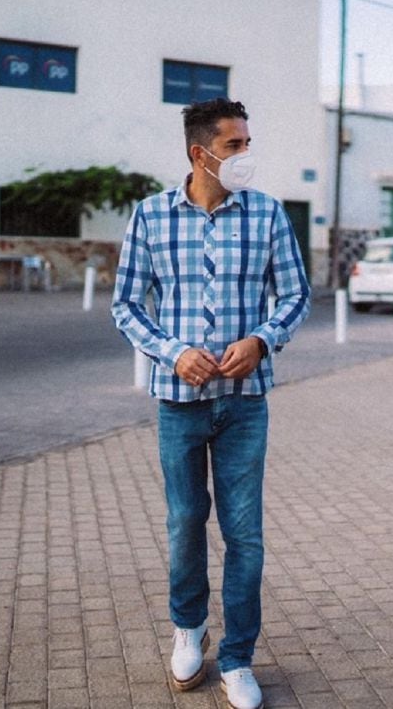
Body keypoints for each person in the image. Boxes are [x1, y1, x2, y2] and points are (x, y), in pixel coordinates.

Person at [112, 97, 310, 709]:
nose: (246, 153)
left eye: (248, 142)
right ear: (201, 154)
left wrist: (262, 340)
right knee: (184, 523)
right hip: (180, 402)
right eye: (235, 145)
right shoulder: (150, 216)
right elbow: (126, 305)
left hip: (245, 403)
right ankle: (188, 628)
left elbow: (296, 296)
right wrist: (172, 352)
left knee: (244, 533)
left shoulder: (268, 213)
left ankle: (239, 657)